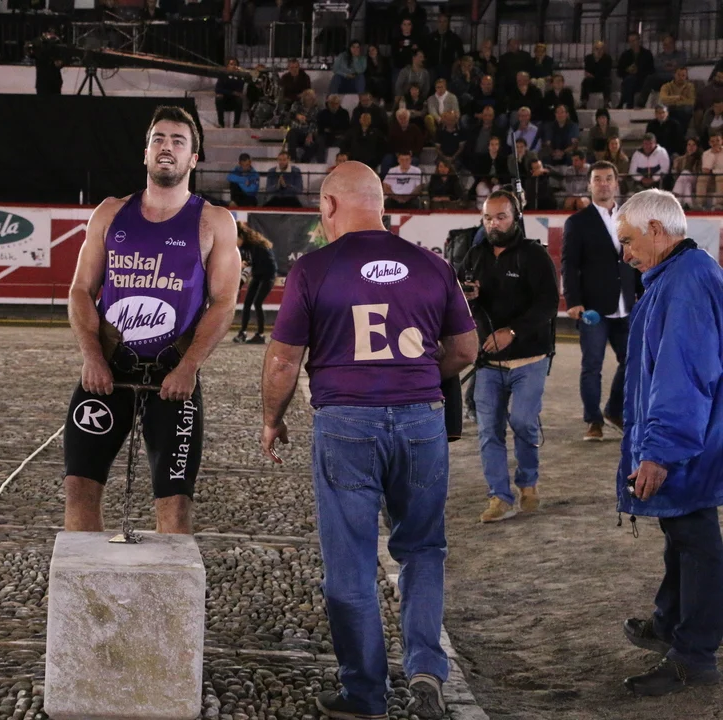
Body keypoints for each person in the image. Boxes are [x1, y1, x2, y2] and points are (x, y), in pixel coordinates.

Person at [259, 160, 477, 720]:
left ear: (329, 205)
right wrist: (418, 375)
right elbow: (465, 350)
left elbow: (283, 361)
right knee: (423, 549)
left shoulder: (313, 269)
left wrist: (271, 418)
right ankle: (426, 668)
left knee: (350, 562)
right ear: (380, 204)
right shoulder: (432, 265)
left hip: (347, 422)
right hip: (422, 420)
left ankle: (364, 693)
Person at [62, 105, 240, 536]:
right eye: (158, 139)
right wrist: (92, 357)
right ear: (145, 153)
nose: (167, 147)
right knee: (79, 489)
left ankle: (169, 584)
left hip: (172, 376)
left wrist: (189, 366)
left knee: (175, 505)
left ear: (193, 159)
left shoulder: (214, 221)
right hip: (108, 370)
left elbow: (223, 303)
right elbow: (81, 290)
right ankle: (88, 581)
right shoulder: (110, 213)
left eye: (178, 141)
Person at [615, 189, 723, 697]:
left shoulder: (685, 283)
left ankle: (694, 655)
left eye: (629, 241)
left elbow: (682, 376)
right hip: (694, 436)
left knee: (694, 537)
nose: (626, 253)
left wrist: (659, 451)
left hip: (688, 441)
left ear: (657, 230)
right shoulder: (681, 275)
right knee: (681, 532)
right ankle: (671, 621)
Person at [460, 190, 559, 523]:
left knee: (522, 422)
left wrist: (512, 332)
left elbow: (548, 305)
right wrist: (468, 297)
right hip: (488, 363)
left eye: (501, 217)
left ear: (516, 218)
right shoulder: (474, 255)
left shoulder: (534, 255)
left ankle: (528, 483)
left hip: (530, 359)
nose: (494, 224)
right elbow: (459, 300)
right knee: (489, 430)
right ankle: (499, 496)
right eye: (488, 218)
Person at [562, 160, 640, 442]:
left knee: (632, 361)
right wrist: (573, 300)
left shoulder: (630, 218)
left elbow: (637, 260)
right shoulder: (577, 222)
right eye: (598, 179)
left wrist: (643, 294)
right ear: (589, 184)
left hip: (626, 306)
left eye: (608, 178)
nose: (603, 183)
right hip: (592, 308)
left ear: (616, 183)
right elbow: (569, 265)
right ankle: (593, 421)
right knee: (592, 367)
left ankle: (613, 411)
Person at [233, 221, 277, 344]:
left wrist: (245, 266)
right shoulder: (247, 247)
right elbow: (248, 265)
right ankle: (242, 332)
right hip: (258, 275)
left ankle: (260, 335)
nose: (235, 243)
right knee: (247, 303)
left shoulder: (254, 245)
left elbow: (250, 265)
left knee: (257, 303)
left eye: (236, 239)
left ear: (241, 236)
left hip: (268, 275)